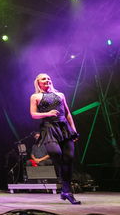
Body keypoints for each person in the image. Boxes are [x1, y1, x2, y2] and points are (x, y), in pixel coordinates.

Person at [29, 73, 81, 204]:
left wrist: (73, 130)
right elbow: (33, 114)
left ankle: (67, 191)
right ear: (38, 83)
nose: (47, 80)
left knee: (69, 159)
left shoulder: (60, 95)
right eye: (43, 79)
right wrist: (47, 113)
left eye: (48, 78)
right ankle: (65, 187)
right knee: (56, 154)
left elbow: (67, 113)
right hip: (49, 128)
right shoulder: (35, 96)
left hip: (64, 128)